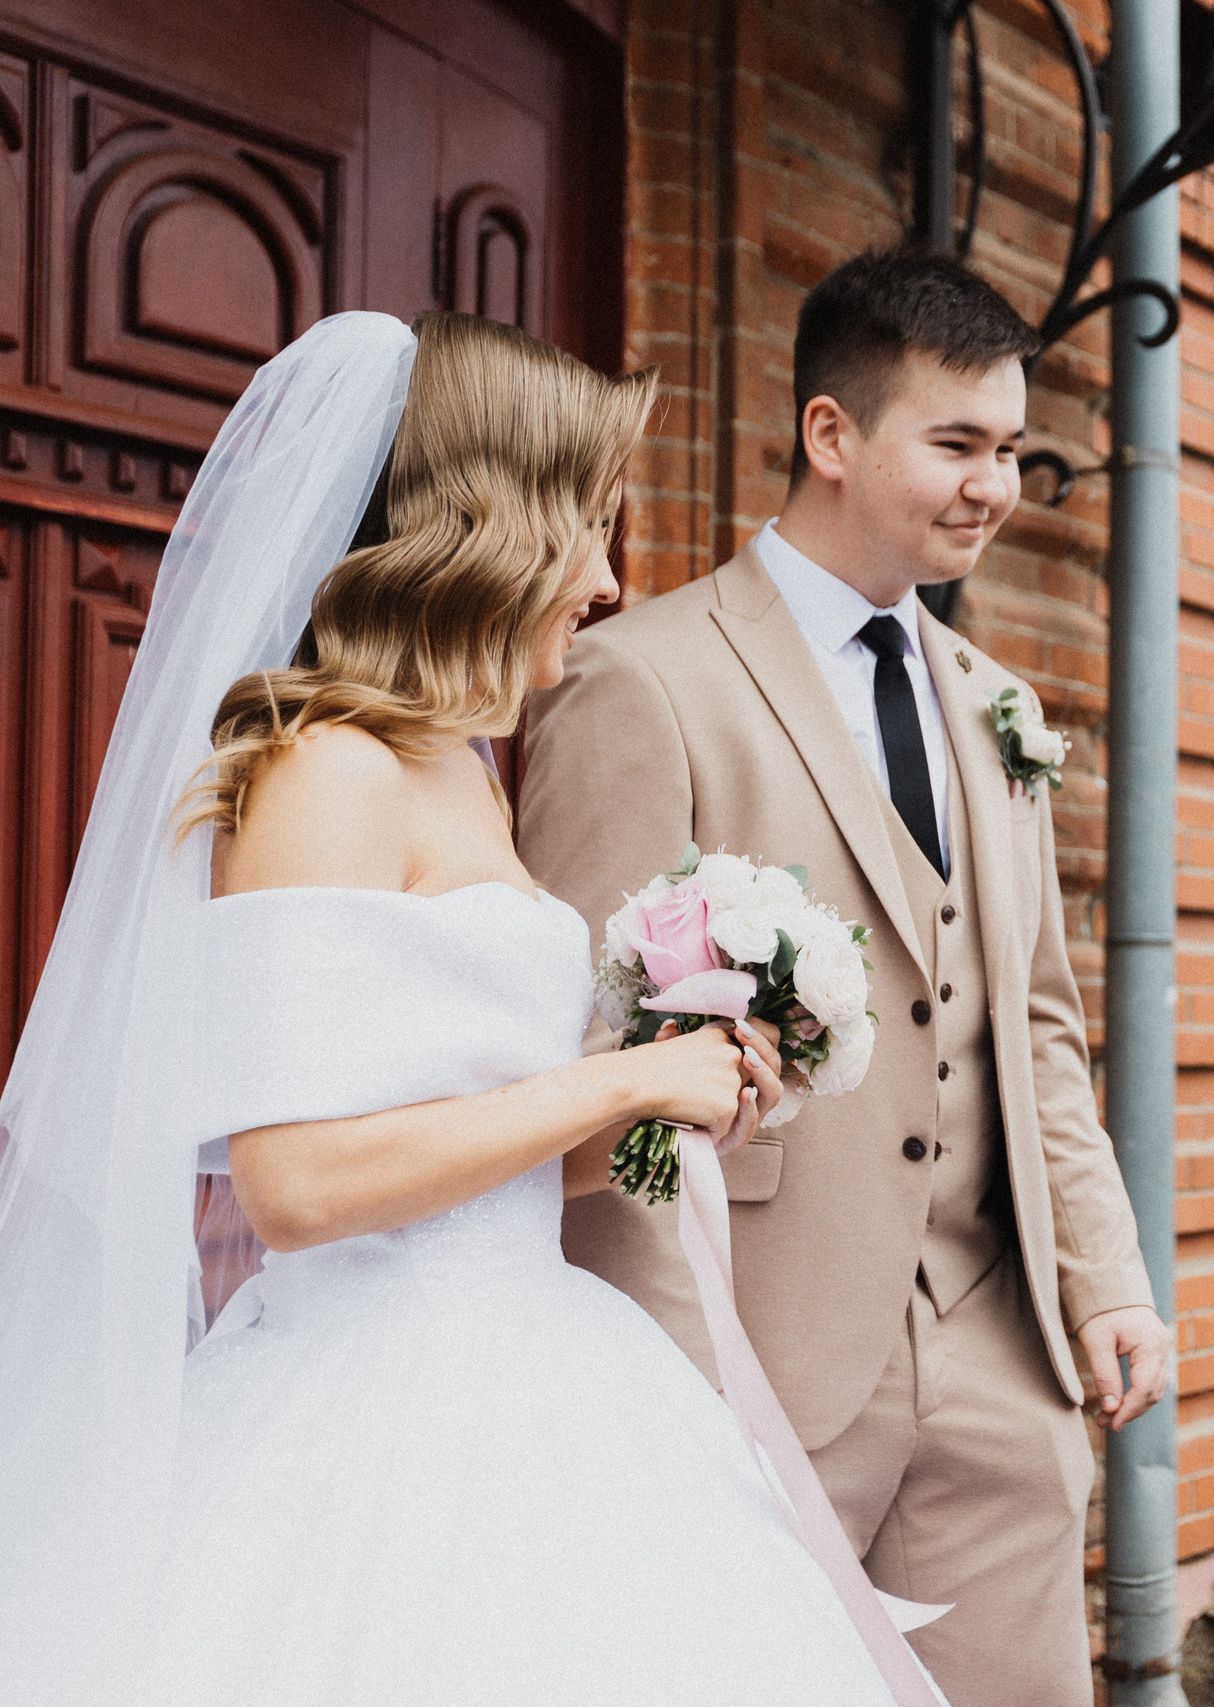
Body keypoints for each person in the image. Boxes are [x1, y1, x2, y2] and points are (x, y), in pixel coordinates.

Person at [0, 311, 929, 1704]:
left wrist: (668, 1105)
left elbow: (478, 1155)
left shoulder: (460, 767)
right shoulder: (325, 770)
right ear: (488, 527)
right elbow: (298, 1185)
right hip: (379, 1413)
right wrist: (620, 1082)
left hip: (540, 1361)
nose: (607, 580)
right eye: (588, 530)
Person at [517, 246, 1169, 1705]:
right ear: (831, 432)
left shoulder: (999, 707)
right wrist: (670, 1373)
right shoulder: (644, 678)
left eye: (1011, 449)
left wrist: (1102, 1279)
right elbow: (589, 1066)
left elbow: (1036, 1027)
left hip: (1001, 1356)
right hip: (756, 1345)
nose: (995, 486)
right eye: (957, 444)